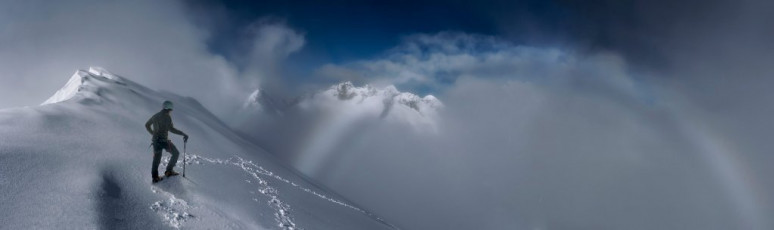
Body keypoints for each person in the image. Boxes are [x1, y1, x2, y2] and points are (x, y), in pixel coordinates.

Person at [145, 100, 189, 183]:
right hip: (164, 141)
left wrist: (153, 133)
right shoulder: (167, 117)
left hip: (156, 141)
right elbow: (171, 129)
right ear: (170, 109)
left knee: (156, 159)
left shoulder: (155, 116)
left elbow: (147, 125)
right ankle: (169, 171)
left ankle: (155, 177)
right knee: (175, 153)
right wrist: (183, 134)